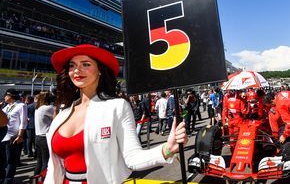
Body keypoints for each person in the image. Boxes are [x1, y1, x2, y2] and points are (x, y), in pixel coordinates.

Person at [46, 44, 188, 183]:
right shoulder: (63, 114)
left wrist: (168, 149)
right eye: (72, 65)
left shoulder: (117, 107)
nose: (77, 70)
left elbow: (133, 158)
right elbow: (53, 167)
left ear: (100, 70)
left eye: (86, 64)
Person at [0, 89, 28, 184]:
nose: (4, 97)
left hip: (13, 137)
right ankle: (2, 179)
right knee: (3, 161)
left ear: (10, 96)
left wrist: (20, 135)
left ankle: (8, 181)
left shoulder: (21, 106)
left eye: (5, 95)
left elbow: (23, 122)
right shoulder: (6, 107)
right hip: (3, 136)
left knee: (10, 161)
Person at [34, 91, 54, 175]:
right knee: (46, 162)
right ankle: (43, 180)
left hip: (38, 137)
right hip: (45, 137)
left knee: (40, 161)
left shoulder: (38, 108)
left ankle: (35, 178)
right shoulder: (48, 108)